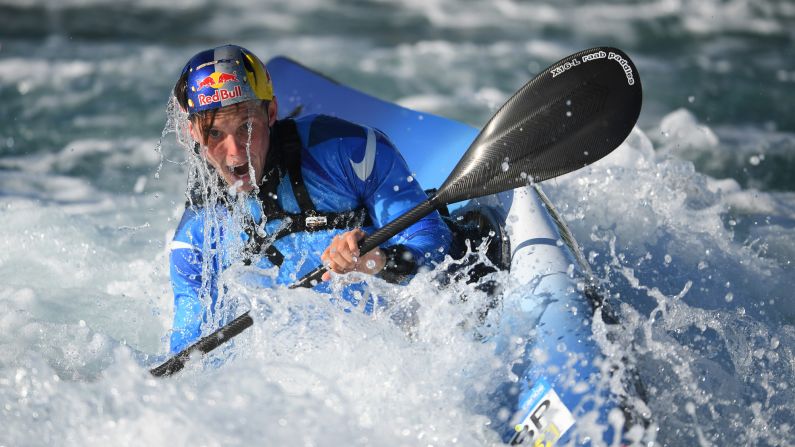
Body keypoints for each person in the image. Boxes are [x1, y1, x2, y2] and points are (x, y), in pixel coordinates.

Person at [167, 44, 452, 354]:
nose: (236, 153)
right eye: (215, 134)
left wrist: (378, 259)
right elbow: (188, 339)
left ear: (271, 112)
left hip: (388, 331)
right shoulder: (197, 232)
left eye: (247, 127)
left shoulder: (350, 152)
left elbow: (431, 238)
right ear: (192, 132)